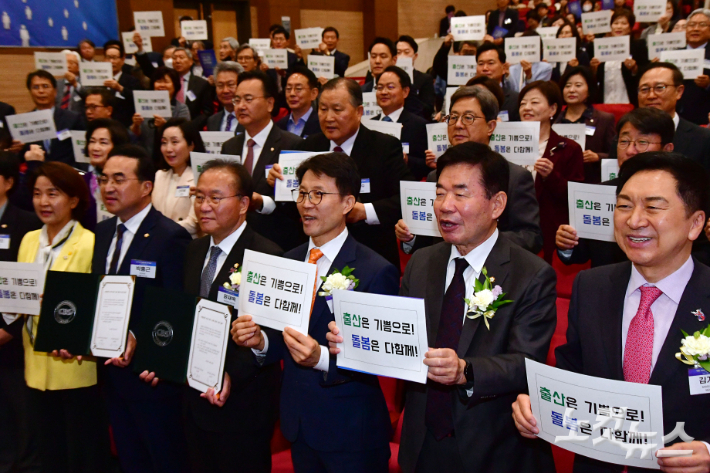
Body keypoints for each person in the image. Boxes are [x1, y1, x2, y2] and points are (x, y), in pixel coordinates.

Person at [513, 152, 710, 473]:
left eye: (653, 207)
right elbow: (571, 375)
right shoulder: (591, 286)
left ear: (695, 223)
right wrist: (539, 405)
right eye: (624, 205)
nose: (634, 220)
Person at [386, 142, 556, 473]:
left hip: (492, 447)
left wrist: (466, 371)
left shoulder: (530, 274)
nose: (444, 206)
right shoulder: (421, 262)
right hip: (421, 442)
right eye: (439, 193)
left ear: (497, 204)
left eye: (460, 194)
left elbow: (528, 363)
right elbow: (404, 338)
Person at [233, 152, 399, 473]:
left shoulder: (376, 270)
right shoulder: (287, 262)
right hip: (299, 423)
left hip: (352, 431)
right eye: (302, 193)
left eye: (318, 194)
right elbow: (282, 339)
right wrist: (260, 342)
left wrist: (320, 358)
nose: (306, 203)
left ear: (348, 202)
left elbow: (377, 358)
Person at [94, 144, 191, 473]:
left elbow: (177, 306)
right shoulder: (103, 231)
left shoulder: (170, 237)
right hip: (110, 373)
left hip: (151, 376)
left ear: (146, 186)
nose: (108, 187)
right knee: (129, 457)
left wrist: (145, 343)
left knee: (163, 458)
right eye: (104, 178)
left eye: (119, 179)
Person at [182, 159, 281, 473]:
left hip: (242, 401)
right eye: (199, 197)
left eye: (215, 197)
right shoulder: (193, 250)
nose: (204, 206)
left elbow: (267, 336)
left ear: (242, 204)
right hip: (194, 394)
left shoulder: (266, 255)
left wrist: (228, 377)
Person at [19, 162, 112, 472]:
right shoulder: (29, 239)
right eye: (37, 194)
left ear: (74, 199)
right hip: (35, 363)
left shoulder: (89, 242)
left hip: (74, 364)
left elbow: (94, 304)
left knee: (83, 453)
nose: (44, 202)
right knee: (50, 453)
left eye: (53, 194)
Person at [272, 77, 415, 269]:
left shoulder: (384, 147)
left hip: (370, 255)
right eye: (323, 109)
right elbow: (291, 209)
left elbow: (406, 199)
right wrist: (279, 185)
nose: (328, 117)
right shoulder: (307, 146)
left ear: (358, 112)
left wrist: (364, 212)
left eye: (337, 110)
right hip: (314, 256)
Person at [395, 85, 543, 254]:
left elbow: (531, 237)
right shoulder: (435, 176)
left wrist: (478, 239)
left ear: (491, 126)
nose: (458, 124)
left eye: (468, 118)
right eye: (453, 117)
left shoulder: (515, 176)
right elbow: (432, 240)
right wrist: (411, 237)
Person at [556, 107, 675, 268]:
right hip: (609, 287)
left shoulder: (682, 194)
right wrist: (566, 244)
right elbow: (580, 253)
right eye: (624, 142)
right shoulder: (598, 193)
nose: (631, 151)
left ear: (667, 149)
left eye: (642, 142)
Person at [220, 70, 303, 251]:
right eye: (237, 100)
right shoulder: (229, 147)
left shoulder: (291, 145)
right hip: (233, 243)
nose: (241, 106)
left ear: (269, 103)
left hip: (276, 243)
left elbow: (298, 205)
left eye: (248, 99)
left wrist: (262, 202)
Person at [0, 152, 42, 472]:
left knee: (20, 412)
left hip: (11, 335)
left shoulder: (26, 223)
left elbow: (29, 281)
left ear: (9, 182)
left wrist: (7, 329)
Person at [519, 80, 584, 263]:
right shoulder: (508, 146)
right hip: (514, 226)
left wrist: (551, 176)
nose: (527, 108)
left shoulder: (569, 148)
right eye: (523, 103)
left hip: (548, 227)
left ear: (552, 109)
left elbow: (575, 196)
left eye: (534, 102)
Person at [612, 62, 710, 171]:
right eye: (644, 89)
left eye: (659, 88)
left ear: (679, 91)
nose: (651, 95)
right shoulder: (623, 138)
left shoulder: (704, 138)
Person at [555, 65, 616, 183]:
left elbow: (615, 154)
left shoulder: (604, 119)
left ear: (589, 90)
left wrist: (598, 157)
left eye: (578, 85)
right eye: (567, 86)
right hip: (560, 182)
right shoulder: (554, 120)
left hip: (591, 180)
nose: (572, 90)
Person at [373, 65, 429, 180]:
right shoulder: (369, 124)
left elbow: (426, 165)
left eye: (390, 87)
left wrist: (407, 160)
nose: (384, 92)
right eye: (379, 87)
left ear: (405, 92)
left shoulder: (419, 125)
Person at [20, 70, 84, 166]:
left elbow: (81, 153)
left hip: (67, 174)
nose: (41, 91)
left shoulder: (73, 118)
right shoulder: (23, 122)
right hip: (36, 174)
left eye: (45, 86)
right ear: (30, 92)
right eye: (35, 87)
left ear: (55, 91)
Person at [589, 10, 649, 107]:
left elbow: (646, 71)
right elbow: (596, 79)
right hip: (605, 102)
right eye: (615, 23)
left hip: (629, 101)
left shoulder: (638, 45)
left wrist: (634, 69)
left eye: (624, 23)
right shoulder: (601, 47)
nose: (619, 26)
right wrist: (593, 69)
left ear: (630, 27)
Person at [152, 118, 200, 237]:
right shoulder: (159, 175)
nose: (168, 149)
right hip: (158, 243)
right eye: (164, 142)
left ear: (191, 146)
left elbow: (194, 224)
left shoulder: (199, 178)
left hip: (186, 244)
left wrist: (158, 230)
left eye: (174, 142)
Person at [131, 66, 191, 161]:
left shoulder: (181, 108)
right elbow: (135, 134)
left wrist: (164, 126)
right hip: (146, 156)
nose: (162, 85)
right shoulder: (144, 104)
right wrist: (136, 124)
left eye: (166, 82)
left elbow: (185, 134)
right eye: (158, 81)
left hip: (170, 156)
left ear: (175, 85)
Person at [85, 118, 130, 223]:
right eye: (92, 141)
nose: (95, 148)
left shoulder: (129, 181)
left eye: (103, 143)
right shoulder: (82, 182)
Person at [677, 8, 710, 125]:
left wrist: (708, 85)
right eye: (691, 25)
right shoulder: (673, 54)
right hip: (674, 117)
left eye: (702, 25)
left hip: (702, 119)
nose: (696, 29)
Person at [103, 40, 143, 128]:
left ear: (122, 60)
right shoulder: (99, 81)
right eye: (108, 58)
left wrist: (121, 89)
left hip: (124, 126)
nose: (111, 61)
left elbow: (139, 99)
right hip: (102, 124)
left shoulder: (132, 80)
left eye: (114, 58)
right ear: (104, 59)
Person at [475, 43, 521, 121]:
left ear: (504, 68)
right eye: (481, 64)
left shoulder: (515, 99)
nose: (485, 68)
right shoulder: (468, 97)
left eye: (490, 63)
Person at [396, 35, 437, 120]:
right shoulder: (387, 78)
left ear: (415, 56)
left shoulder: (425, 79)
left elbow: (428, 109)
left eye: (406, 52)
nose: (402, 56)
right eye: (398, 52)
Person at [275, 66, 321, 138]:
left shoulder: (322, 124)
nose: (292, 93)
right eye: (288, 89)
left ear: (313, 93)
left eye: (298, 89)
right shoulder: (279, 126)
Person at [206, 61, 245, 133]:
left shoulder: (253, 119)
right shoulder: (212, 121)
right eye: (220, 85)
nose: (225, 91)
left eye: (230, 84)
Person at [54, 50, 84, 114]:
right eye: (65, 63)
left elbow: (87, 96)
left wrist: (75, 84)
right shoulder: (56, 83)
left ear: (78, 67)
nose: (68, 66)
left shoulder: (85, 84)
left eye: (71, 63)